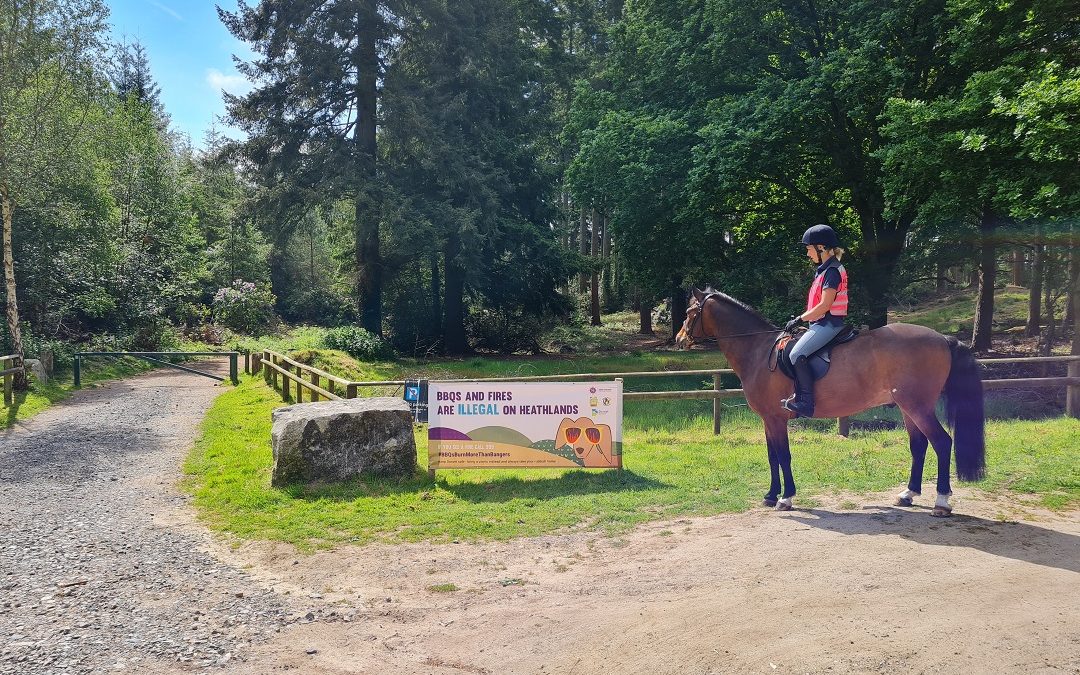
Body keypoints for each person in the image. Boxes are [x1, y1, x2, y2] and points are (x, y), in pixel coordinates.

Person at [781, 224, 849, 417]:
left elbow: (824, 306)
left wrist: (798, 319)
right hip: (819, 323)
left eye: (809, 249)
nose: (808, 253)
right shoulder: (823, 270)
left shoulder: (832, 271)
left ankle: (806, 403)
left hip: (829, 324)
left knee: (796, 354)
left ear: (821, 248)